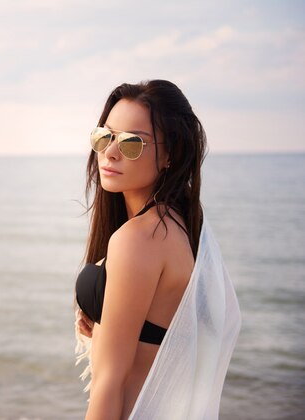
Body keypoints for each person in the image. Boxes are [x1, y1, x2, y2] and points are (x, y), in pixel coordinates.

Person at [73, 80, 241, 419]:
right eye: (105, 136)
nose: (111, 151)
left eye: (133, 142)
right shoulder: (176, 226)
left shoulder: (140, 238)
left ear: (170, 155)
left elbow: (111, 381)